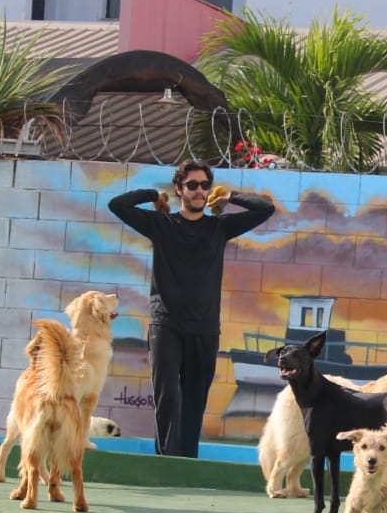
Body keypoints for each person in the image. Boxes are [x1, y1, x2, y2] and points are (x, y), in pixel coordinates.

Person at [109, 160, 275, 457]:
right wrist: (152, 195)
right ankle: (165, 463)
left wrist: (230, 198)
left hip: (205, 327)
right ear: (179, 189)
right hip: (166, 324)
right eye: (192, 185)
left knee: (195, 401)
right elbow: (117, 205)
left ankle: (187, 463)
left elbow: (265, 209)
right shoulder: (160, 225)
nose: (199, 191)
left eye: (204, 185)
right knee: (168, 397)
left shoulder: (220, 226)